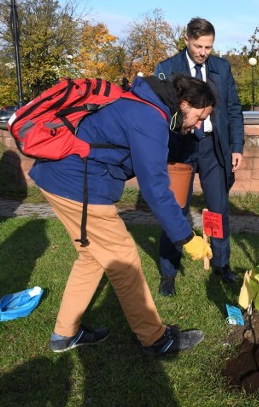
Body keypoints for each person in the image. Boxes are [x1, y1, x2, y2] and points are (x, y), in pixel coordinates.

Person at [29, 74, 215, 356]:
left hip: (58, 177)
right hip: (79, 185)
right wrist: (187, 238)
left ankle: (64, 334)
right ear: (185, 104)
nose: (199, 125)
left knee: (91, 256)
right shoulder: (149, 117)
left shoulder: (142, 102)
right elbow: (154, 188)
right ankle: (156, 340)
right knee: (124, 259)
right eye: (200, 117)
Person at [153, 17, 244, 296]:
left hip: (213, 147)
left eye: (209, 46)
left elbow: (233, 108)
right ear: (186, 41)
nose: (204, 51)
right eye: (199, 45)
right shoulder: (167, 69)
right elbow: (160, 113)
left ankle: (221, 264)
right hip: (180, 148)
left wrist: (236, 146)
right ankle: (169, 271)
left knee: (218, 208)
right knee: (177, 209)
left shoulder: (222, 68)